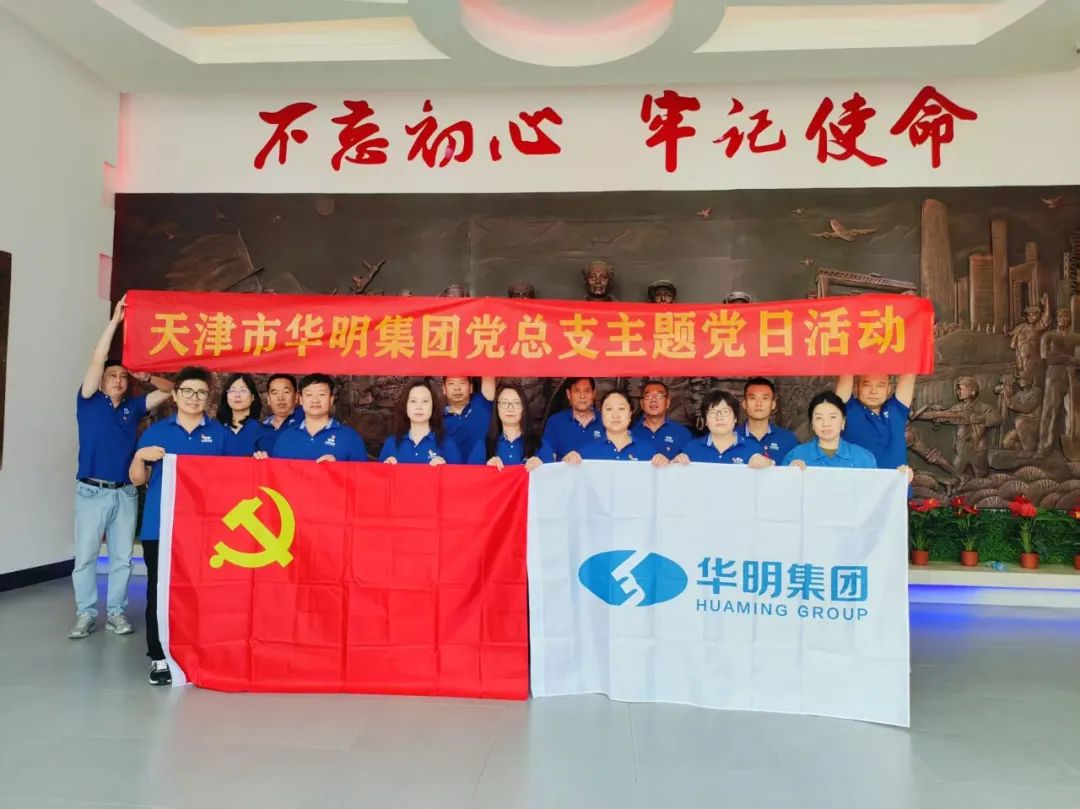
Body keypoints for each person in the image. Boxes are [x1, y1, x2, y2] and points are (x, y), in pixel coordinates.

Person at [70, 295, 174, 640]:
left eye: (123, 376)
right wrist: (115, 321)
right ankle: (86, 614)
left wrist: (147, 375)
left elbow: (171, 390)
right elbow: (97, 358)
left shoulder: (134, 406)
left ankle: (115, 612)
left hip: (126, 493)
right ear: (101, 380)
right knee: (86, 557)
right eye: (112, 375)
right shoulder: (88, 401)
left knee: (122, 558)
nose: (117, 380)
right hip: (91, 491)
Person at [129, 366, 228, 685]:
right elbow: (137, 479)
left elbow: (235, 480)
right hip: (161, 526)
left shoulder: (220, 435)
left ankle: (199, 652)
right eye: (187, 391)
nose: (193, 398)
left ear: (208, 397)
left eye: (200, 392)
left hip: (204, 529)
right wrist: (140, 457)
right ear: (174, 395)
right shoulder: (156, 432)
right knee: (159, 590)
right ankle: (159, 656)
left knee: (201, 592)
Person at [783, 392, 912, 481]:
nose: (826, 423)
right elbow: (780, 494)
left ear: (843, 422)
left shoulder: (863, 458)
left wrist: (899, 478)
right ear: (812, 424)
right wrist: (788, 475)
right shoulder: (796, 455)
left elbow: (877, 493)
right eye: (819, 418)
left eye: (833, 417)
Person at [268, 373, 367, 462]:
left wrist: (338, 468)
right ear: (301, 400)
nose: (315, 400)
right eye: (309, 395)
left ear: (331, 399)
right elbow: (273, 474)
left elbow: (363, 475)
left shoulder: (350, 437)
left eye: (321, 394)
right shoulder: (286, 437)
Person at [835, 372, 916, 469]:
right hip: (858, 478)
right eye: (867, 385)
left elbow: (910, 370)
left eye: (880, 386)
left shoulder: (896, 409)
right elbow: (846, 371)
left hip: (896, 478)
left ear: (888, 389)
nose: (873, 391)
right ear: (857, 388)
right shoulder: (848, 409)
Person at [564, 390, 668, 465]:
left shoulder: (648, 451)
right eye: (609, 409)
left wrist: (664, 465)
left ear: (630, 414)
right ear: (602, 414)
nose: (615, 415)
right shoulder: (586, 452)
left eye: (621, 409)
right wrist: (565, 465)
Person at [469, 380, 555, 470]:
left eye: (516, 403)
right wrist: (486, 469)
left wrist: (542, 467)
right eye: (504, 403)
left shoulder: (539, 444)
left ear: (524, 408)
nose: (510, 408)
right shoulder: (484, 444)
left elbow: (554, 475)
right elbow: (470, 476)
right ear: (497, 408)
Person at [673, 390, 772, 467]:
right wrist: (676, 463)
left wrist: (769, 464)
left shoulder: (753, 448)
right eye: (713, 412)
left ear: (735, 418)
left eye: (725, 412)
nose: (719, 417)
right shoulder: (691, 448)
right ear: (705, 420)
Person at [379, 379, 463, 465]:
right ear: (405, 405)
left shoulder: (447, 444)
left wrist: (444, 470)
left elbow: (459, 473)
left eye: (425, 401)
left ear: (433, 406)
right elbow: (377, 473)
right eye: (413, 401)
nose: (419, 407)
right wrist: (386, 469)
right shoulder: (391, 444)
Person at [541, 377, 603, 460]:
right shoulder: (555, 422)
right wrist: (563, 462)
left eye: (587, 391)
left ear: (594, 394)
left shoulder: (605, 422)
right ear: (568, 394)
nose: (582, 396)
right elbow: (545, 456)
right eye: (577, 391)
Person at [741, 377, 799, 463]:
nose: (758, 403)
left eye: (765, 398)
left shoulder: (788, 439)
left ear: (773, 404)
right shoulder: (731, 437)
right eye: (753, 398)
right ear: (744, 404)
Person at [630, 379, 692, 460]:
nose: (653, 400)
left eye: (659, 396)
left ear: (667, 403)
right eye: (648, 396)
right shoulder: (631, 433)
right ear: (641, 404)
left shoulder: (682, 433)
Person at [217, 373, 274, 457]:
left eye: (243, 390)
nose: (237, 395)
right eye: (232, 390)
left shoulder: (265, 431)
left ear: (252, 397)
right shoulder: (215, 429)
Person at [442, 376, 496, 460]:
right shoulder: (437, 419)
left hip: (484, 467)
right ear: (444, 389)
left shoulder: (481, 403)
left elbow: (488, 369)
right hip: (451, 468)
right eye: (451, 383)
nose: (457, 388)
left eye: (462, 383)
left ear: (471, 387)